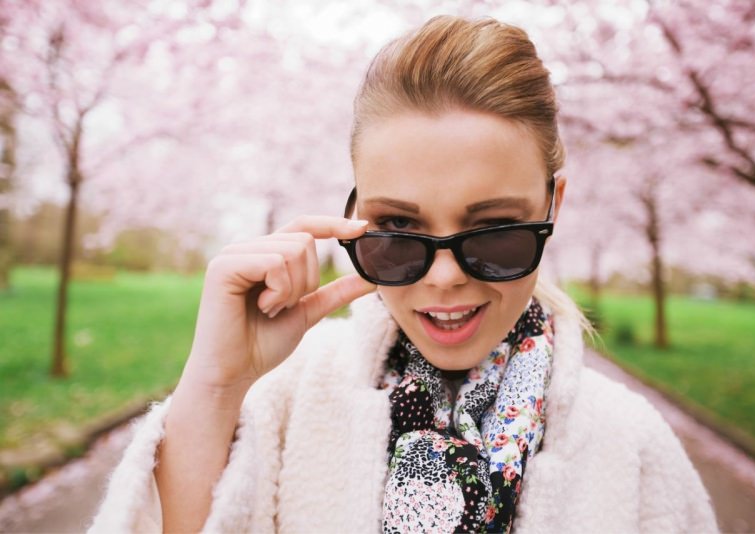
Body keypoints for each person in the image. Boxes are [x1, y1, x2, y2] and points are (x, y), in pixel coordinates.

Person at [91, 15, 717, 533]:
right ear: (357, 215)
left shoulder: (631, 447)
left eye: (495, 231)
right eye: (398, 231)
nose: (443, 277)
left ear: (554, 206)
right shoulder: (284, 399)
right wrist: (217, 382)